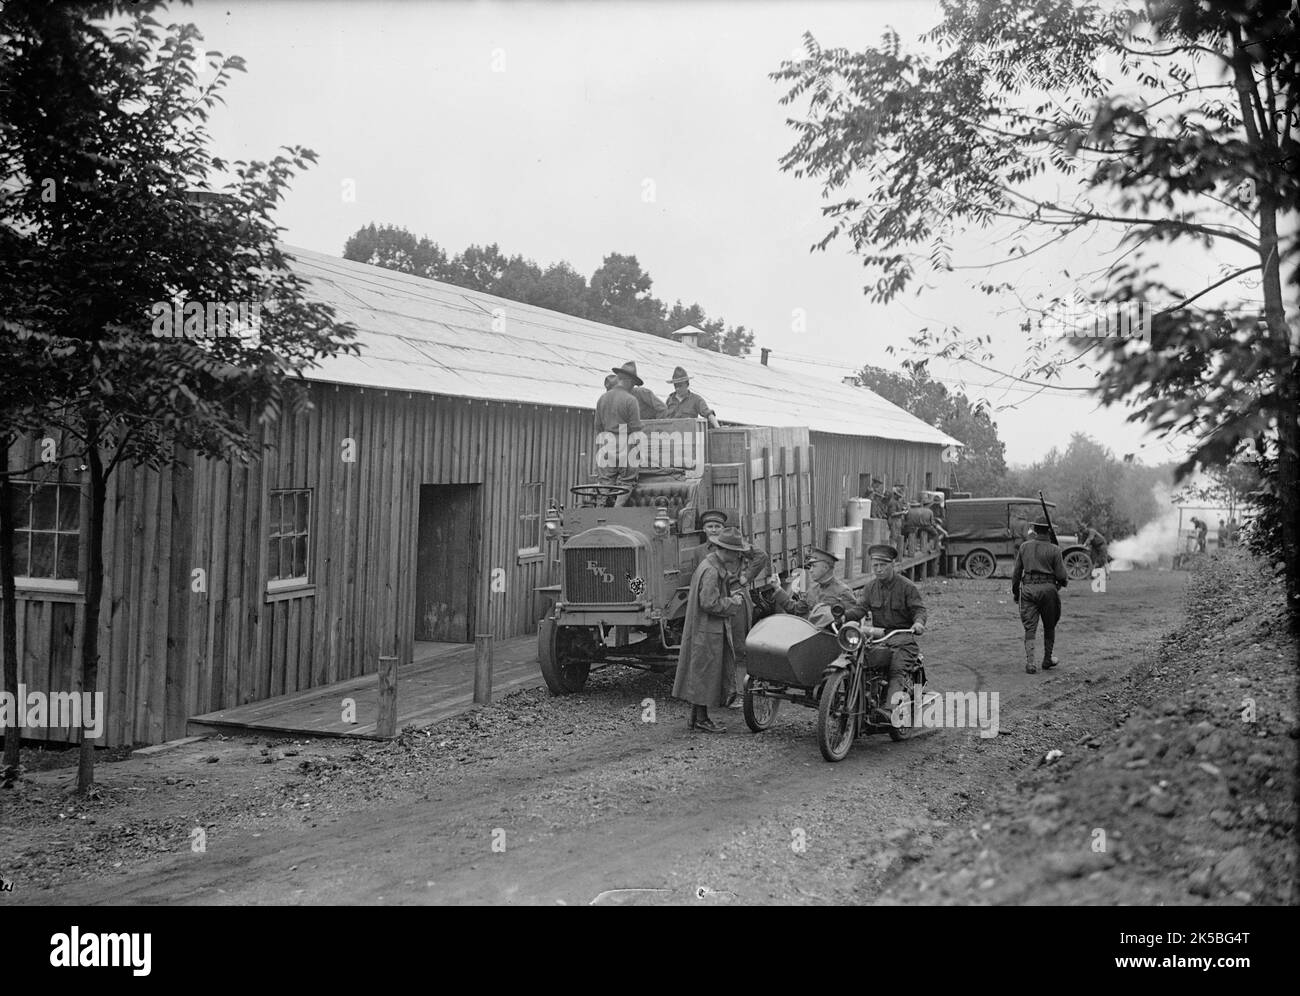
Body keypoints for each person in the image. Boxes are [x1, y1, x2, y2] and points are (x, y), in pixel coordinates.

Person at [673, 525, 750, 734]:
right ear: (727, 550)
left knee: (701, 673)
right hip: (707, 630)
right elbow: (709, 603)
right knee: (706, 673)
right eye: (736, 552)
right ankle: (702, 720)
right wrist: (733, 602)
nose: (737, 556)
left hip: (703, 629)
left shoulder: (709, 565)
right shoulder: (712, 571)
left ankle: (697, 717)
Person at [845, 544, 927, 726]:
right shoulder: (870, 588)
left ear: (893, 565)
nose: (879, 569)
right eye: (875, 566)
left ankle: (889, 710)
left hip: (903, 638)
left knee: (896, 669)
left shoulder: (907, 587)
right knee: (856, 660)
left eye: (883, 565)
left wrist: (918, 623)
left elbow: (919, 609)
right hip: (878, 637)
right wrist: (842, 617)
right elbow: (859, 609)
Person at [1011, 521, 1067, 674]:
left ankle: (1030, 663)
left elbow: (1016, 573)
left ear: (1034, 530)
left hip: (1028, 590)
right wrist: (1063, 582)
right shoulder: (1055, 549)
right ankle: (1047, 659)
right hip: (1049, 590)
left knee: (1030, 627)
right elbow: (1062, 575)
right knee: (1049, 625)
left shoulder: (1024, 547)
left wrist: (1016, 592)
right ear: (1049, 531)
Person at [594, 363, 644, 506]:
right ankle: (617, 510)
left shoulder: (602, 399)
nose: (633, 387)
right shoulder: (630, 400)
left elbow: (598, 426)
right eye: (633, 384)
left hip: (606, 444)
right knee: (627, 481)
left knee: (605, 482)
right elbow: (635, 429)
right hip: (625, 444)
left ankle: (599, 512)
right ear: (628, 381)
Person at [775, 546, 858, 624]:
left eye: (814, 566)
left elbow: (852, 622)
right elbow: (795, 610)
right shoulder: (812, 590)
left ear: (825, 568)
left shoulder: (843, 592)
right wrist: (777, 588)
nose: (810, 570)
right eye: (810, 567)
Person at [886, 486, 907, 554]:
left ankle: (895, 553)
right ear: (895, 494)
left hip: (897, 521)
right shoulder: (893, 502)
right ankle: (892, 554)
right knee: (893, 538)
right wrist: (902, 513)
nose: (900, 497)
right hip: (893, 521)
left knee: (897, 537)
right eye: (899, 496)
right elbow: (892, 514)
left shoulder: (897, 501)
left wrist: (902, 509)